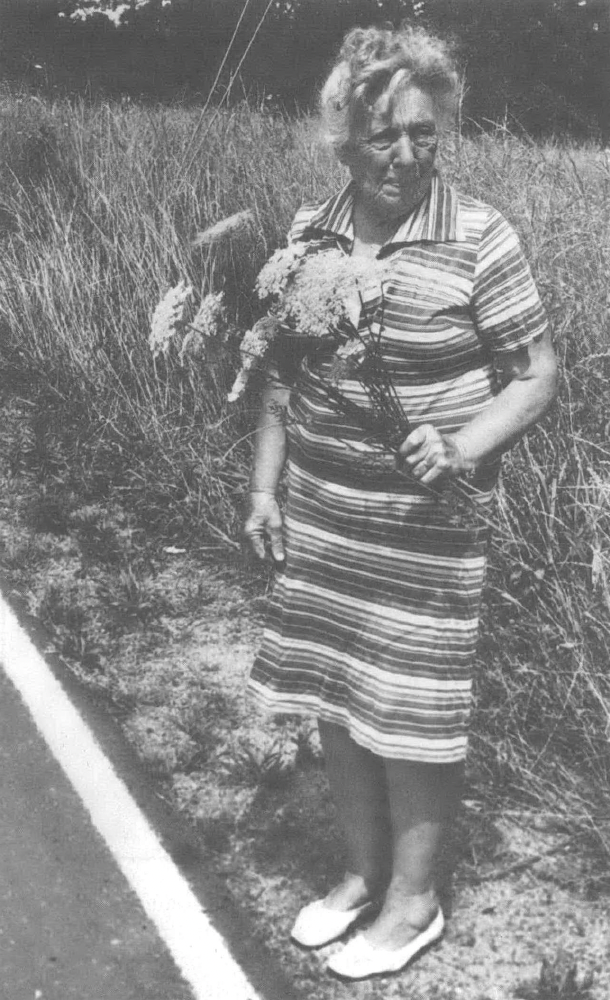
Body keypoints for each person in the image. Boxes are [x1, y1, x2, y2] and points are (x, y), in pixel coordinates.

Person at [243, 24, 558, 980]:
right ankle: (361, 873)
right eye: (387, 135)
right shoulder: (312, 231)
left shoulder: (479, 234)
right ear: (345, 134)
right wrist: (264, 487)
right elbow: (283, 380)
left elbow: (536, 373)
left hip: (425, 532)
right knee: (339, 702)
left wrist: (461, 443)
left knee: (414, 716)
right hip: (327, 518)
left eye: (427, 133)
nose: (408, 154)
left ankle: (414, 903)